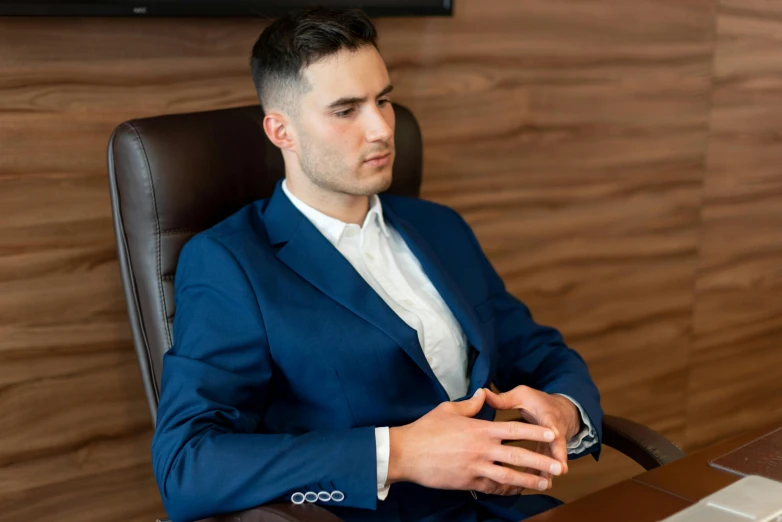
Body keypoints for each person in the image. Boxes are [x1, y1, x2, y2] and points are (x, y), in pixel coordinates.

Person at [151, 7, 603, 522]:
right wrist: (400, 454)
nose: (382, 129)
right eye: (346, 110)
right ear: (282, 132)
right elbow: (186, 467)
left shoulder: (440, 226)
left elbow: (536, 349)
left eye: (383, 100)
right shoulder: (229, 263)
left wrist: (567, 408)